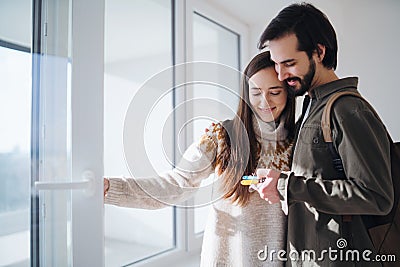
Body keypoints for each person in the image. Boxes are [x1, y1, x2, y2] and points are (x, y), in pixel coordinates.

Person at [103, 51, 296, 266]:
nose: (264, 101)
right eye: (256, 92)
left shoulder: (299, 143)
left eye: (275, 92)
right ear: (245, 94)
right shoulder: (221, 136)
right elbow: (175, 185)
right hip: (226, 259)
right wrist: (112, 188)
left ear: (288, 93)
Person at [253, 3, 393, 266]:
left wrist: (288, 186)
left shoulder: (348, 110)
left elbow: (376, 196)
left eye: (289, 63)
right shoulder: (312, 105)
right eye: (276, 64)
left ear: (319, 51)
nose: (281, 75)